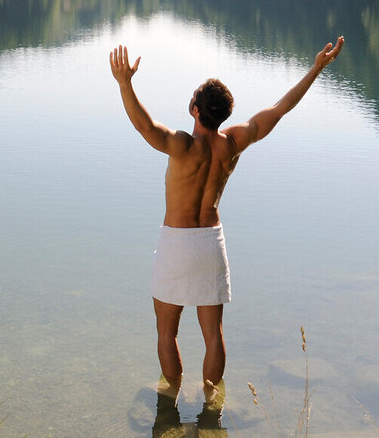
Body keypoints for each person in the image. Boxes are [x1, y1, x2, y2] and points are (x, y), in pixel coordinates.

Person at [108, 37, 345, 403]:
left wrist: (125, 84)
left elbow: (145, 126)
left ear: (194, 109)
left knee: (166, 333)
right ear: (222, 115)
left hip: (176, 242)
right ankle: (209, 405)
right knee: (213, 334)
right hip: (211, 244)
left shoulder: (183, 146)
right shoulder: (234, 143)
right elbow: (280, 108)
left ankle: (170, 401)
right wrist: (315, 69)